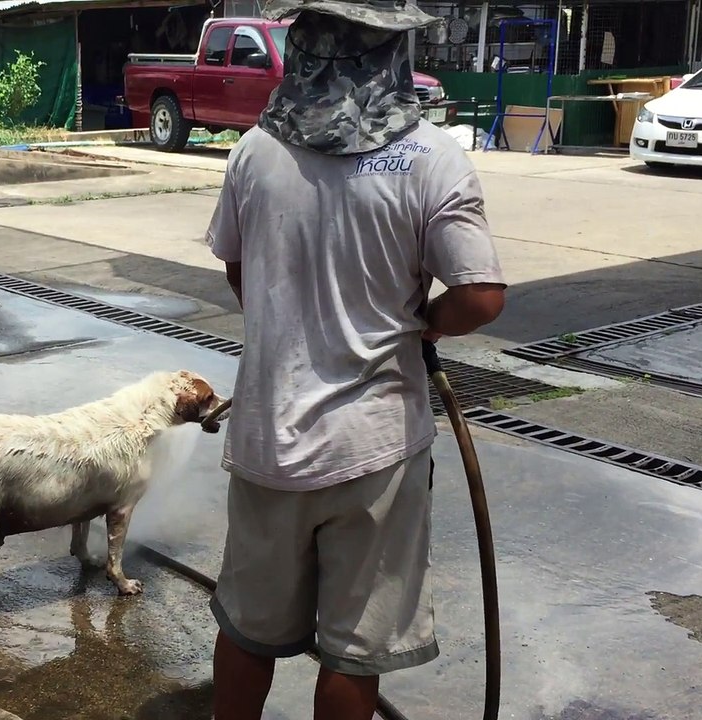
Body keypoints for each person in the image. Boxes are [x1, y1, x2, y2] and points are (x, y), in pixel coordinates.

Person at [204, 2, 508, 719]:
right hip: (375, 447)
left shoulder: (255, 152)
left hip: (267, 441)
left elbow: (240, 272)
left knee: (246, 627)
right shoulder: (429, 158)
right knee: (353, 649)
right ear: (393, 53)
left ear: (303, 48)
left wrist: (289, 320)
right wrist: (424, 323)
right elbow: (482, 295)